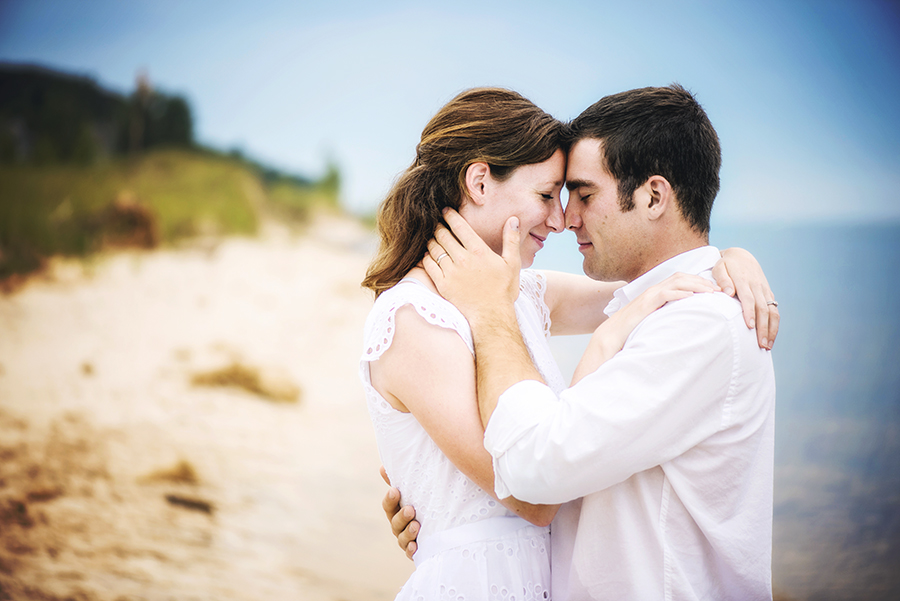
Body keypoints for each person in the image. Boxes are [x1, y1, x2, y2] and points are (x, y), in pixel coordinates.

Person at [363, 87, 777, 600]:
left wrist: (727, 259)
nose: (563, 219)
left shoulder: (520, 299)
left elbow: (638, 291)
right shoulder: (420, 316)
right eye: (549, 195)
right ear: (479, 182)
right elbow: (531, 489)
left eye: (581, 194)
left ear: (653, 195)